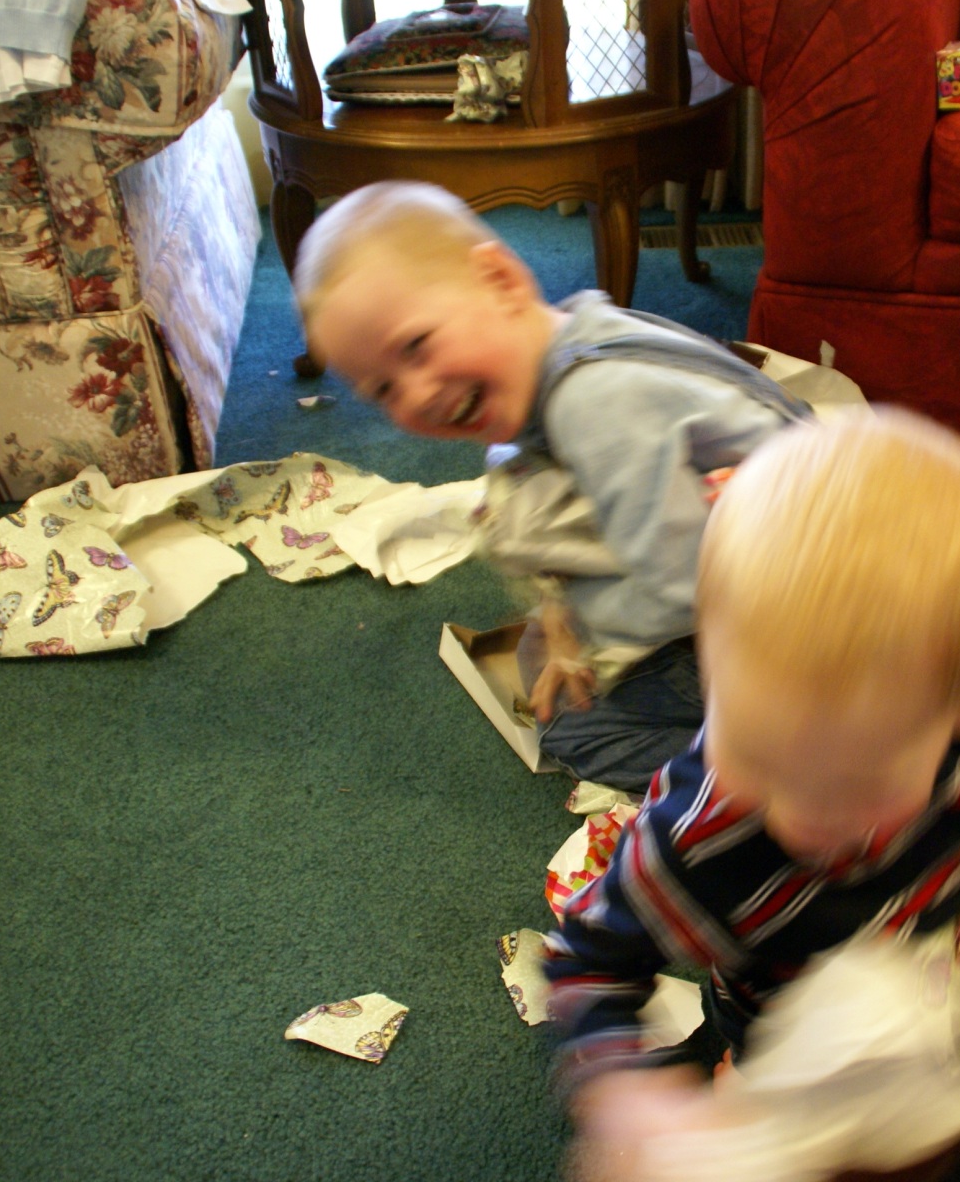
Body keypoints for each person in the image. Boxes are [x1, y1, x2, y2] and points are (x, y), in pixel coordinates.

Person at [541, 408, 960, 1181]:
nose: (796, 814)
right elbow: (586, 965)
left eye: (851, 782)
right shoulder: (696, 836)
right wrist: (626, 1097)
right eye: (751, 753)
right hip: (800, 1063)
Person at [293, 182, 807, 788]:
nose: (417, 394)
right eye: (383, 391)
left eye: (416, 347)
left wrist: (581, 634)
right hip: (805, 546)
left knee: (572, 727)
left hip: (823, 617)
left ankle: (812, 766)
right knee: (550, 640)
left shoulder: (591, 403)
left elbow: (680, 587)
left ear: (502, 280)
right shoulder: (584, 329)